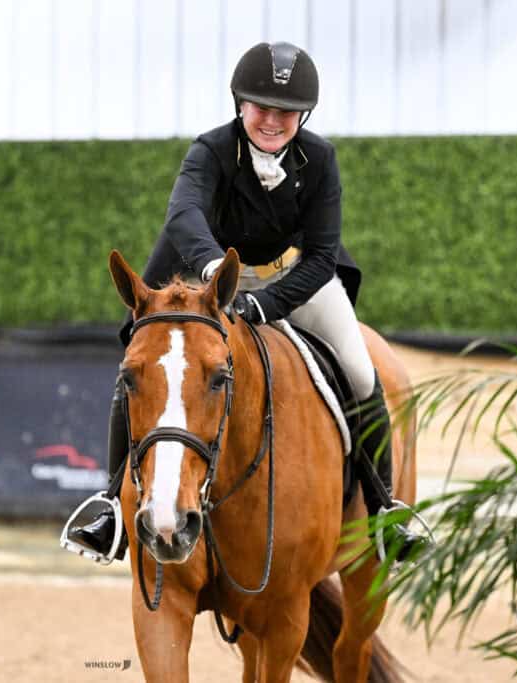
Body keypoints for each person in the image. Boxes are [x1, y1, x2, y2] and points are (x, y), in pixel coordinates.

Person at [64, 41, 420, 563]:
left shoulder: (319, 158)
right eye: (261, 107)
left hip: (296, 279)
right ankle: (111, 505)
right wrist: (214, 274)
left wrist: (265, 304)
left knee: (360, 371)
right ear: (240, 105)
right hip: (207, 275)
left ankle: (386, 508)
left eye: (285, 112)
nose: (272, 120)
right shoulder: (209, 150)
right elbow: (184, 215)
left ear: (303, 115)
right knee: (136, 369)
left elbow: (322, 257)